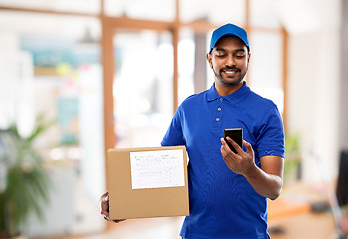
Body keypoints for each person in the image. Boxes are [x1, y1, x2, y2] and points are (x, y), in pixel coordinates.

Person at [101, 23, 285, 239]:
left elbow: (274, 189)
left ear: (248, 58)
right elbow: (162, 172)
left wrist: (249, 169)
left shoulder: (266, 111)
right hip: (195, 233)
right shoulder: (189, 108)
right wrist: (125, 204)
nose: (230, 62)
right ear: (209, 58)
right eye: (221, 54)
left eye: (238, 54)